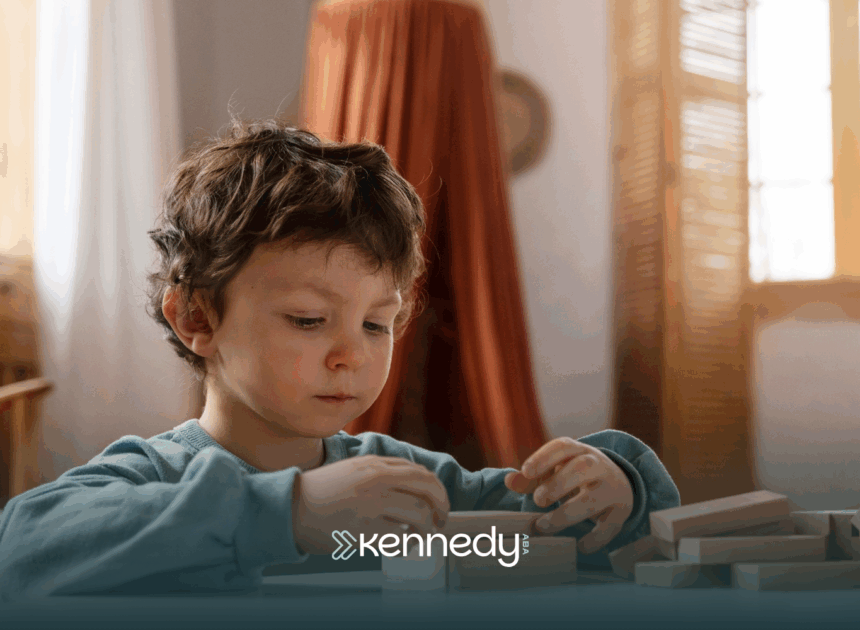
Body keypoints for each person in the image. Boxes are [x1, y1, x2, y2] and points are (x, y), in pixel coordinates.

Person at [0, 119, 680, 601]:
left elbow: (539, 535)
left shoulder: (405, 483)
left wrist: (612, 492)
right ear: (198, 318)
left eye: (377, 324)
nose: (352, 353)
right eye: (308, 320)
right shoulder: (153, 478)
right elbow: (22, 549)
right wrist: (288, 514)